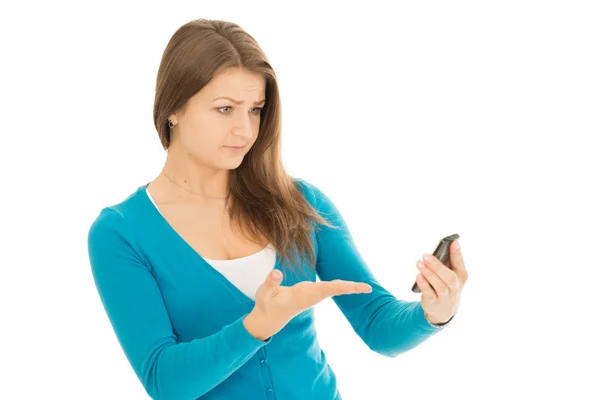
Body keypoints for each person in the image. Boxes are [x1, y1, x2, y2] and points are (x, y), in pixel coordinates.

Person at [87, 18, 468, 400]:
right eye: (225, 109)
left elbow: (376, 323)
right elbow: (164, 381)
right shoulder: (121, 233)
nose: (245, 130)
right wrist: (255, 326)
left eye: (255, 109)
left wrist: (433, 313)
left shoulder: (301, 204)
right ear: (173, 108)